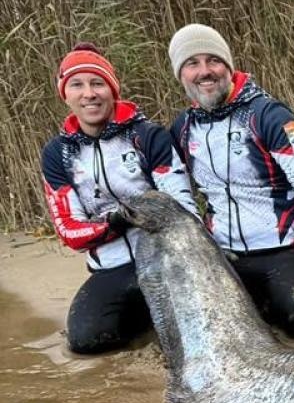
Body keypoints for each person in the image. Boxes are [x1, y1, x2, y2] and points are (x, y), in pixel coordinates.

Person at [167, 25, 294, 339]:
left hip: (282, 248)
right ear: (181, 75)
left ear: (228, 67)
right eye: (192, 63)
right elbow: (173, 194)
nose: (205, 72)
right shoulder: (181, 128)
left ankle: (282, 293)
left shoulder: (269, 115)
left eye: (213, 61)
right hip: (223, 252)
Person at [41, 42, 199, 355]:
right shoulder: (56, 154)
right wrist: (116, 222)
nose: (89, 94)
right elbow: (69, 231)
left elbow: (183, 211)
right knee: (86, 341)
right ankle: (143, 319)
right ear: (65, 94)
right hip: (111, 267)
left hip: (165, 261)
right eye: (77, 85)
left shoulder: (148, 136)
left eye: (98, 83)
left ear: (112, 89)